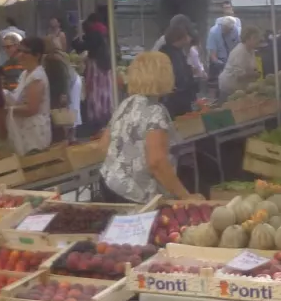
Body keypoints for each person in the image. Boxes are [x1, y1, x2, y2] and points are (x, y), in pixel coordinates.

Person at [92, 51, 204, 204]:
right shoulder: (155, 112)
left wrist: (125, 164)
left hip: (109, 184)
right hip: (136, 195)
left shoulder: (126, 103)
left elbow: (103, 146)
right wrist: (185, 196)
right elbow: (156, 162)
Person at [4, 35, 53, 155]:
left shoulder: (37, 77)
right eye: (20, 51)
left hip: (34, 134)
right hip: (24, 130)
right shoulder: (25, 74)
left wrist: (6, 110)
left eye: (26, 52)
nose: (20, 55)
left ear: (37, 55)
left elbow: (31, 109)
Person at [76, 16, 114, 132]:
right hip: (104, 66)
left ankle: (97, 119)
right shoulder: (102, 33)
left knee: (95, 93)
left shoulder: (93, 35)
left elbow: (81, 47)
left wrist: (77, 38)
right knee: (104, 93)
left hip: (96, 66)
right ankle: (105, 116)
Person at [159, 14, 198, 117]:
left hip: (180, 98)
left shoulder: (176, 51)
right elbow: (178, 76)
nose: (189, 38)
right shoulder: (168, 54)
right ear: (180, 38)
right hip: (175, 101)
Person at [218, 26, 264, 100]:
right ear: (247, 39)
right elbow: (239, 75)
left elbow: (251, 67)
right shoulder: (239, 51)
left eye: (258, 38)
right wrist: (253, 74)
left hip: (240, 89)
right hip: (229, 88)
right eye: (255, 38)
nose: (257, 40)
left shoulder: (251, 50)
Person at [205, 15, 238, 83]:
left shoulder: (234, 29)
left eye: (230, 29)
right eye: (226, 29)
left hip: (230, 58)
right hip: (217, 59)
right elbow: (212, 53)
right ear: (222, 26)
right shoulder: (213, 32)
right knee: (214, 83)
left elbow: (236, 45)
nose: (228, 31)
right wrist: (219, 64)